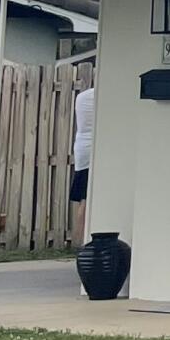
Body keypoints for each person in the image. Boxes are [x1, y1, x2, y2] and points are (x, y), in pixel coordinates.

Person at [71, 64, 96, 246]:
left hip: (81, 149)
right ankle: (82, 241)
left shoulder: (82, 97)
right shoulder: (97, 97)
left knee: (83, 198)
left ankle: (78, 240)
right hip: (92, 151)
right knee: (86, 199)